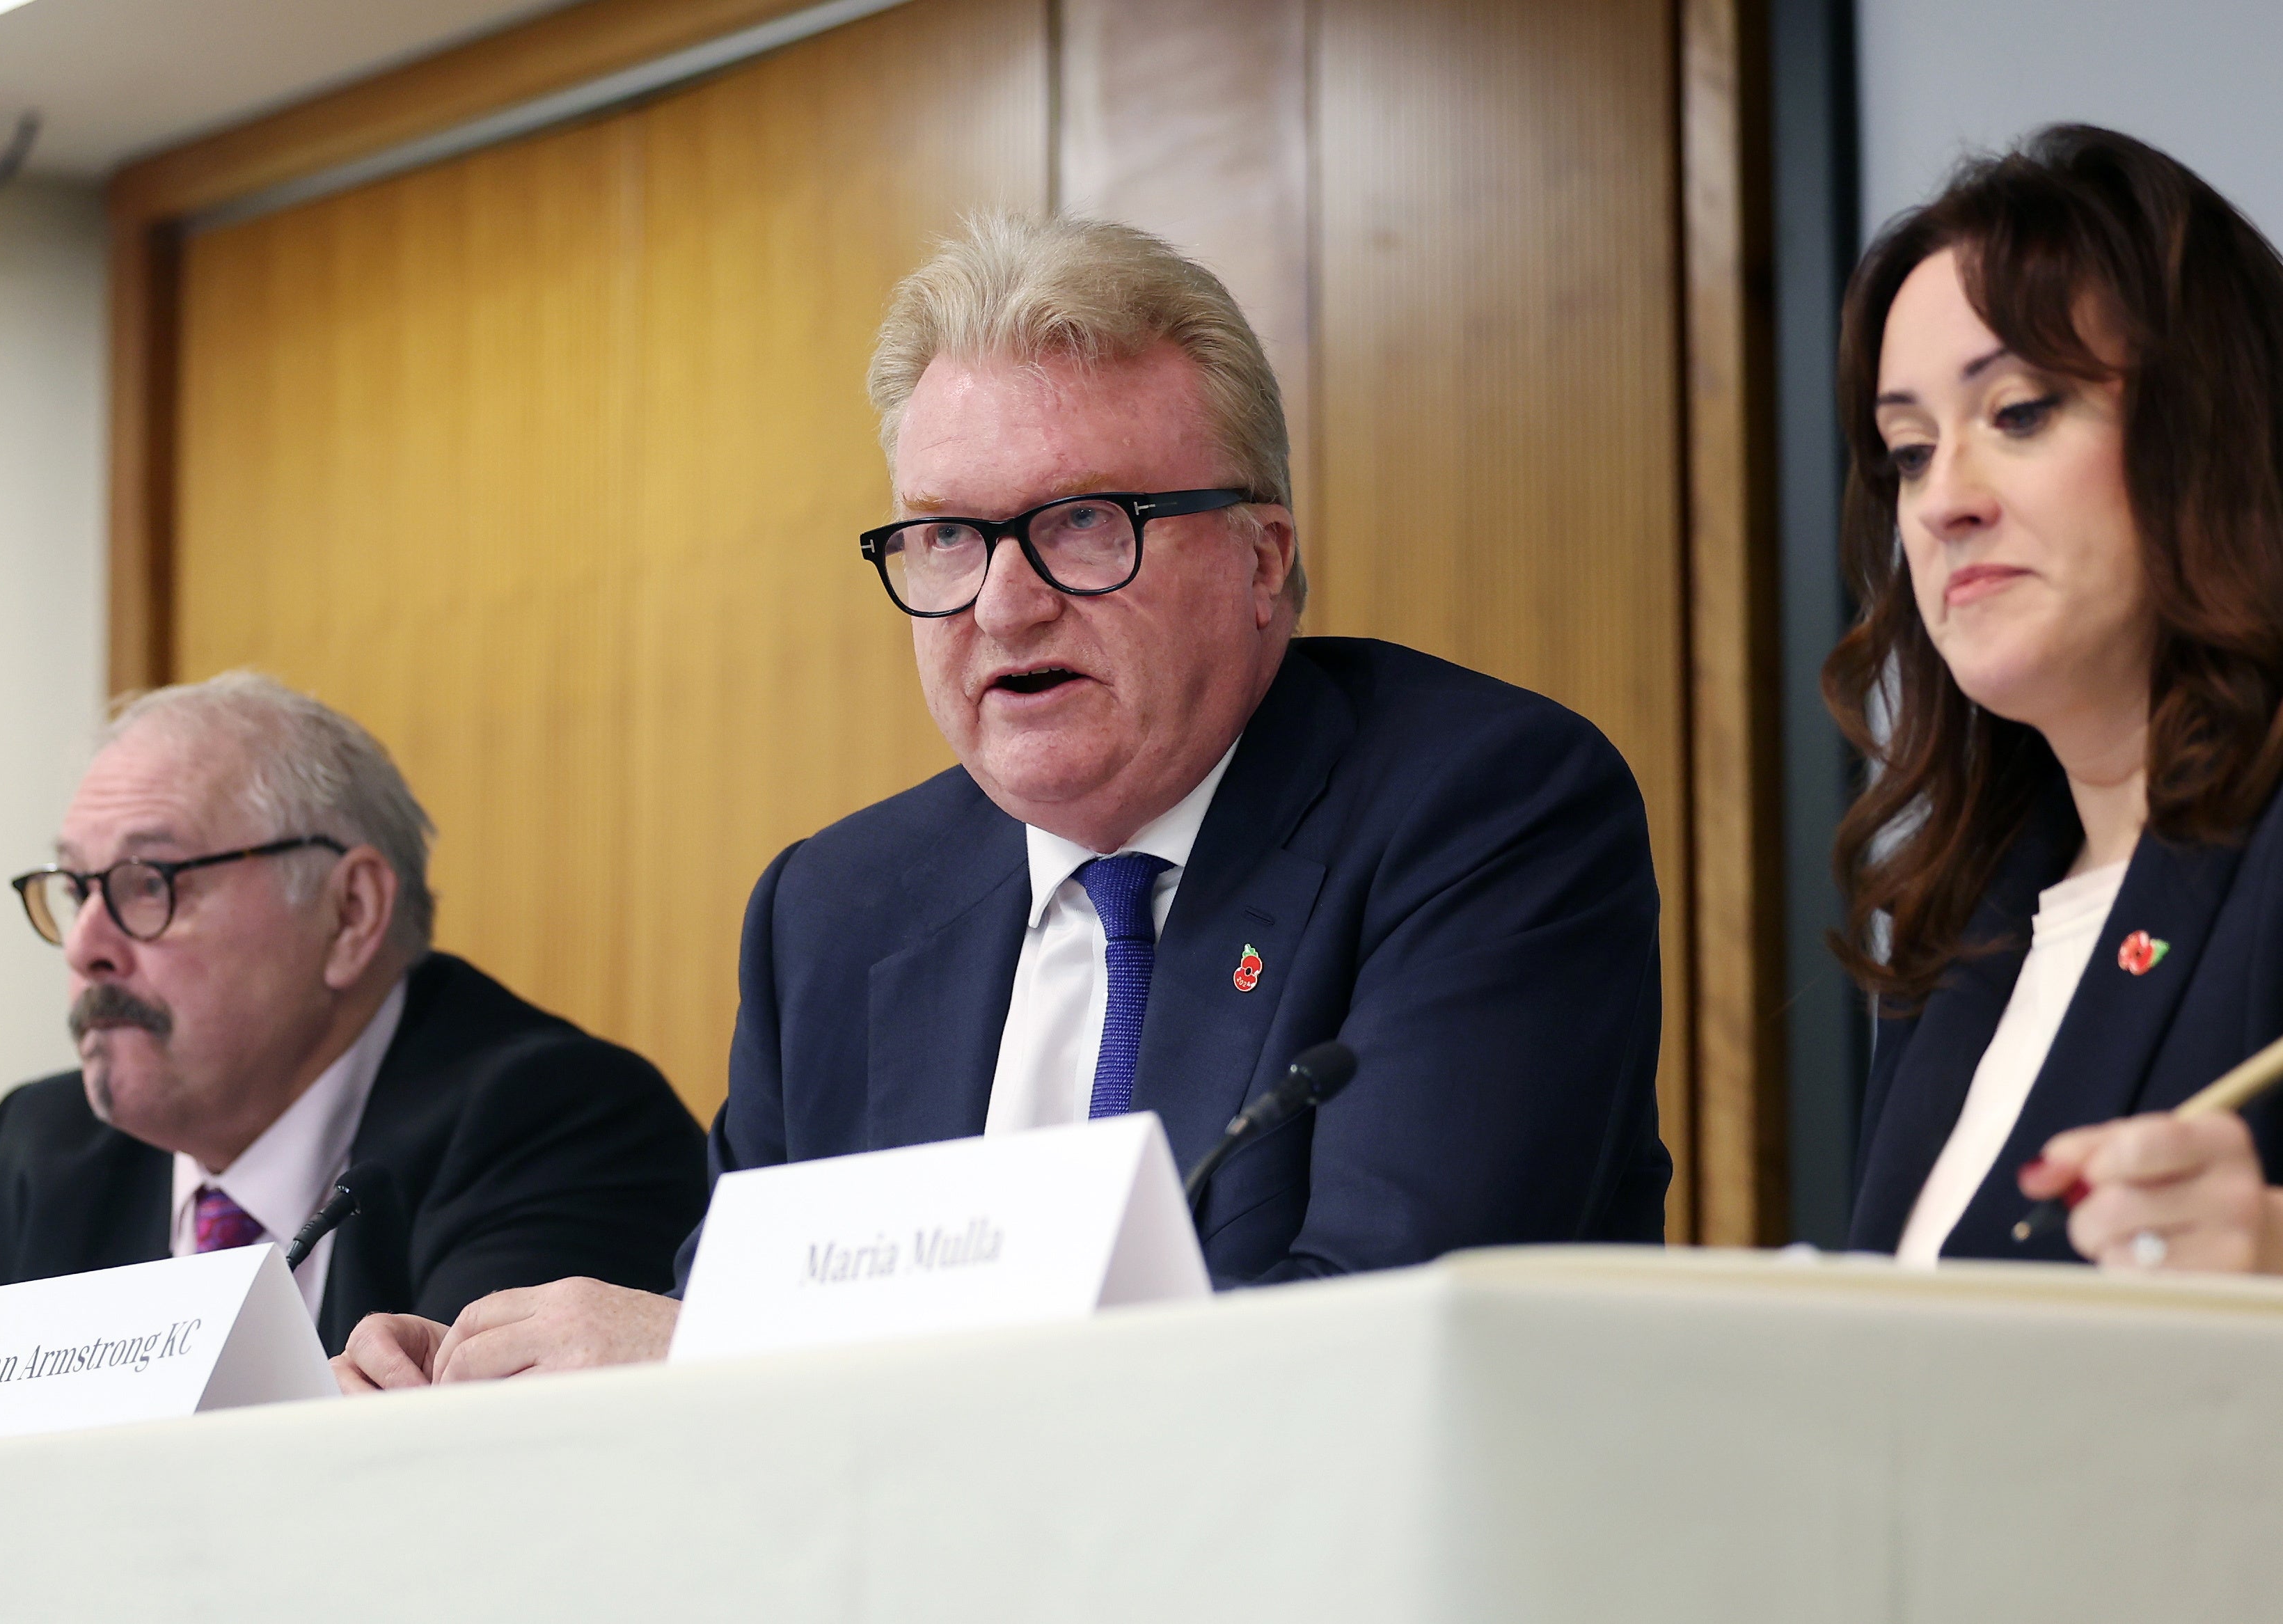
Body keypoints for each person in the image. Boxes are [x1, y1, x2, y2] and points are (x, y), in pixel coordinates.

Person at [335, 213, 1668, 1390]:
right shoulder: (839, 910)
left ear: (1262, 557)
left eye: (1085, 523)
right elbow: (718, 1332)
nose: (1001, 600)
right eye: (946, 536)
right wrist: (491, 1384)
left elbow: (1380, 1340)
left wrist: (717, 1353)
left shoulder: (1482, 809)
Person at [0, 672, 708, 1457]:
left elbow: (462, 1485)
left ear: (350, 914)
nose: (87, 944)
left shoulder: (550, 1118)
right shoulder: (47, 1152)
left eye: (147, 883)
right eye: (76, 888)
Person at [1834, 126, 2283, 1272]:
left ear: (2210, 430)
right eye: (1909, 450)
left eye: (2020, 412)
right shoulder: (1955, 926)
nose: (1943, 502)